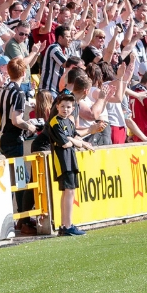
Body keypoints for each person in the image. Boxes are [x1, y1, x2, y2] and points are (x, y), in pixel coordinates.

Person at [48, 93, 97, 237]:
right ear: (57, 106)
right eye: (62, 106)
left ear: (73, 108)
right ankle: (67, 225)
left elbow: (74, 136)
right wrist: (78, 142)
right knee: (69, 192)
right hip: (62, 161)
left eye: (68, 107)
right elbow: (66, 143)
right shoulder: (55, 122)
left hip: (71, 159)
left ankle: (65, 225)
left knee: (69, 192)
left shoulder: (68, 121)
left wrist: (80, 141)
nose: (65, 109)